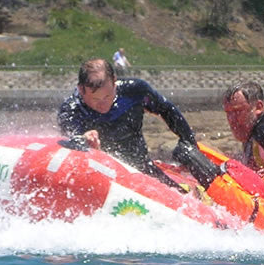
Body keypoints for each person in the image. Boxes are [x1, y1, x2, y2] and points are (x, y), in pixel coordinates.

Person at [58, 58, 198, 189]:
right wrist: (83, 138)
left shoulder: (134, 91)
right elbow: (70, 132)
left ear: (114, 81)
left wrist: (189, 143)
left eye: (107, 96)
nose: (103, 104)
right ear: (81, 90)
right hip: (103, 177)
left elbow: (167, 110)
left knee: (183, 197)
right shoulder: (72, 109)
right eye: (96, 99)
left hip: (141, 168)